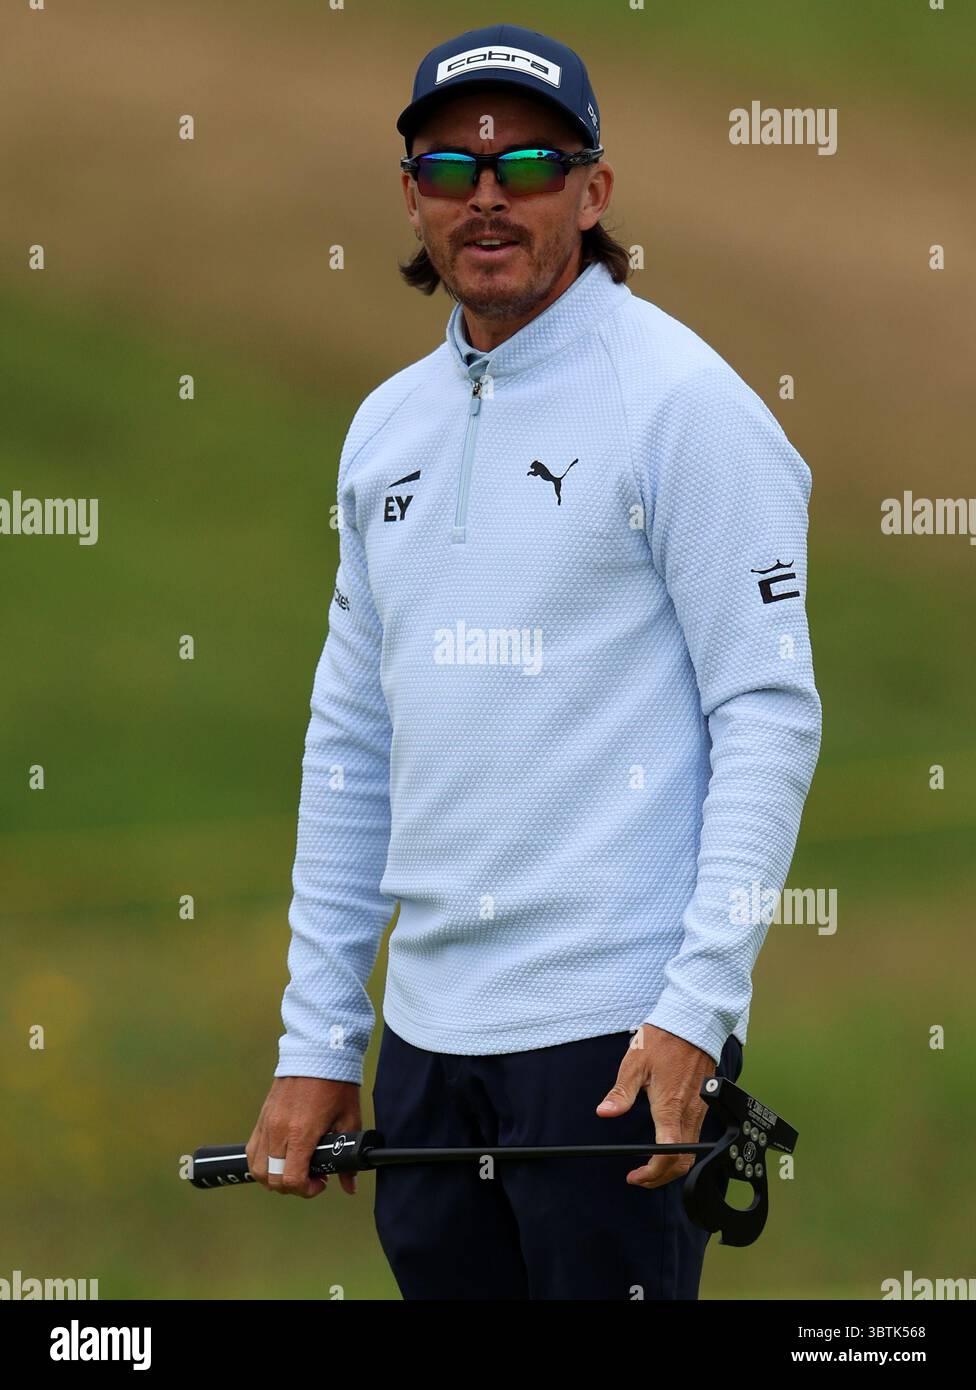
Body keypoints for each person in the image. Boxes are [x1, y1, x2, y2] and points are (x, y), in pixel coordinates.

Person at [246, 23, 821, 1300]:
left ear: (594, 190)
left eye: (530, 165)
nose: (488, 195)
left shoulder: (684, 404)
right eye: (451, 168)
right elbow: (353, 743)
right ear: (411, 198)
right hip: (428, 1049)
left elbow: (768, 714)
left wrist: (696, 1013)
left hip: (613, 1041)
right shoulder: (382, 428)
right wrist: (319, 1038)